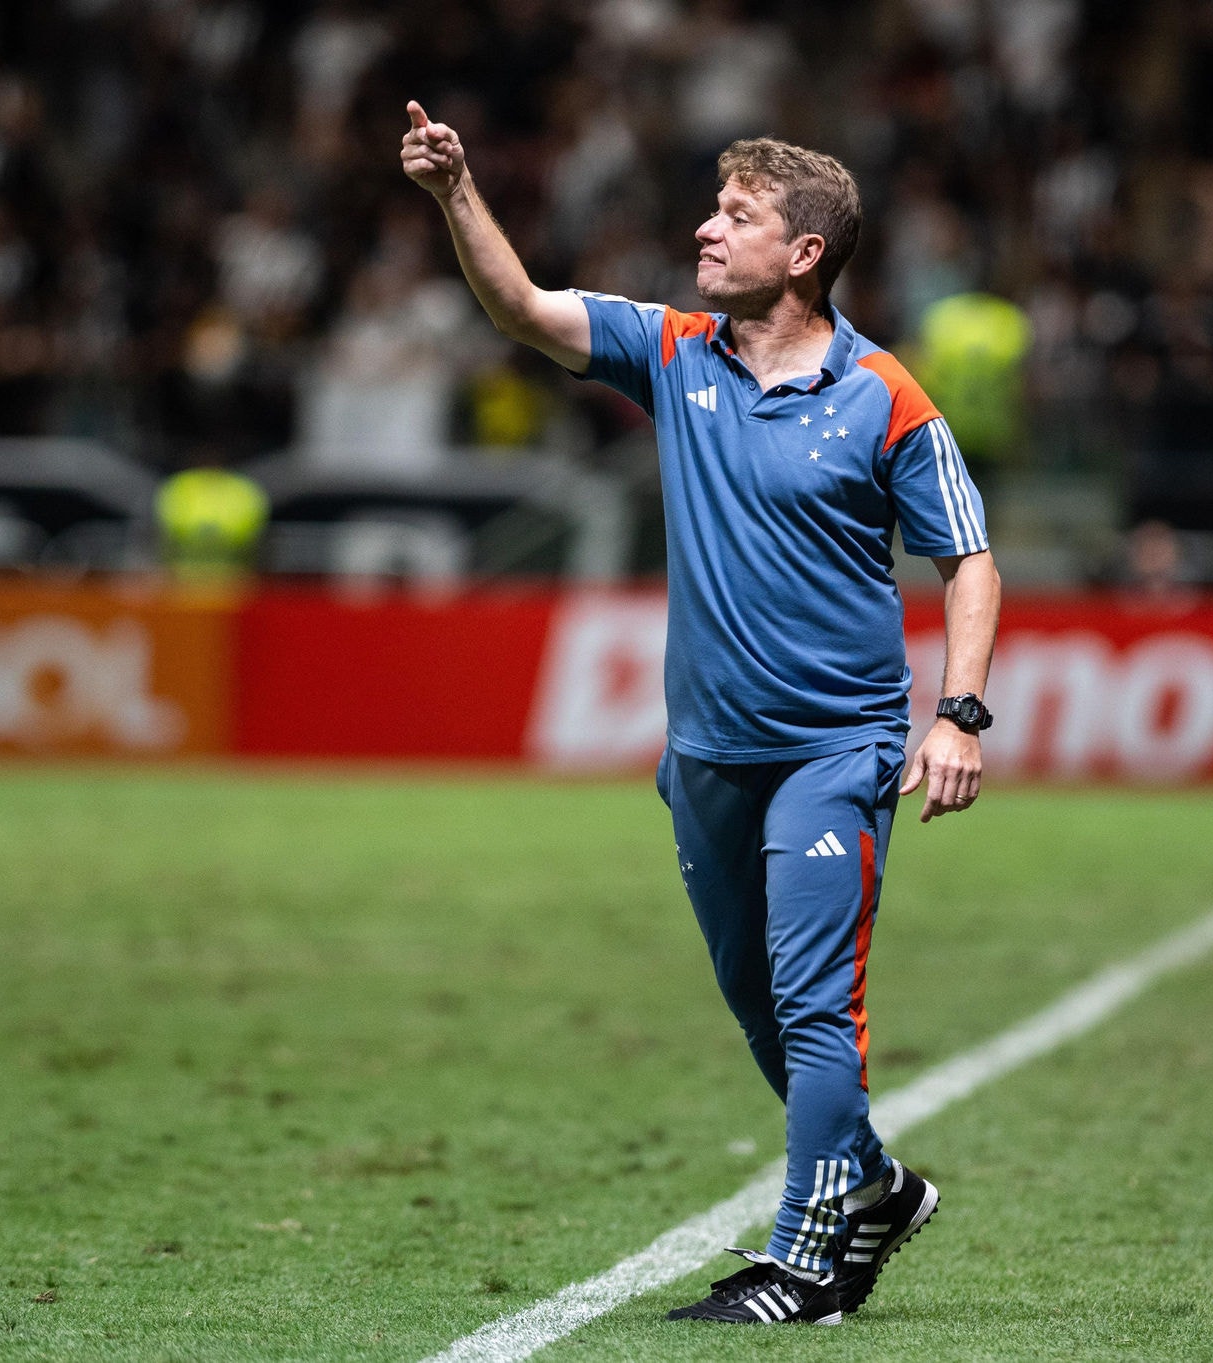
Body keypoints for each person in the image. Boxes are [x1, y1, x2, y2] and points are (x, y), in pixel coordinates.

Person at [401, 102, 1002, 1325]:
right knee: (762, 1013)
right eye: (712, 208)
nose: (703, 229)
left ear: (804, 254)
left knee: (813, 999)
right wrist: (454, 191)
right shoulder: (671, 350)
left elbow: (970, 557)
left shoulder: (885, 396)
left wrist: (959, 714)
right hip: (708, 758)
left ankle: (803, 1261)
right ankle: (874, 1185)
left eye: (737, 216)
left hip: (836, 750)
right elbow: (521, 308)